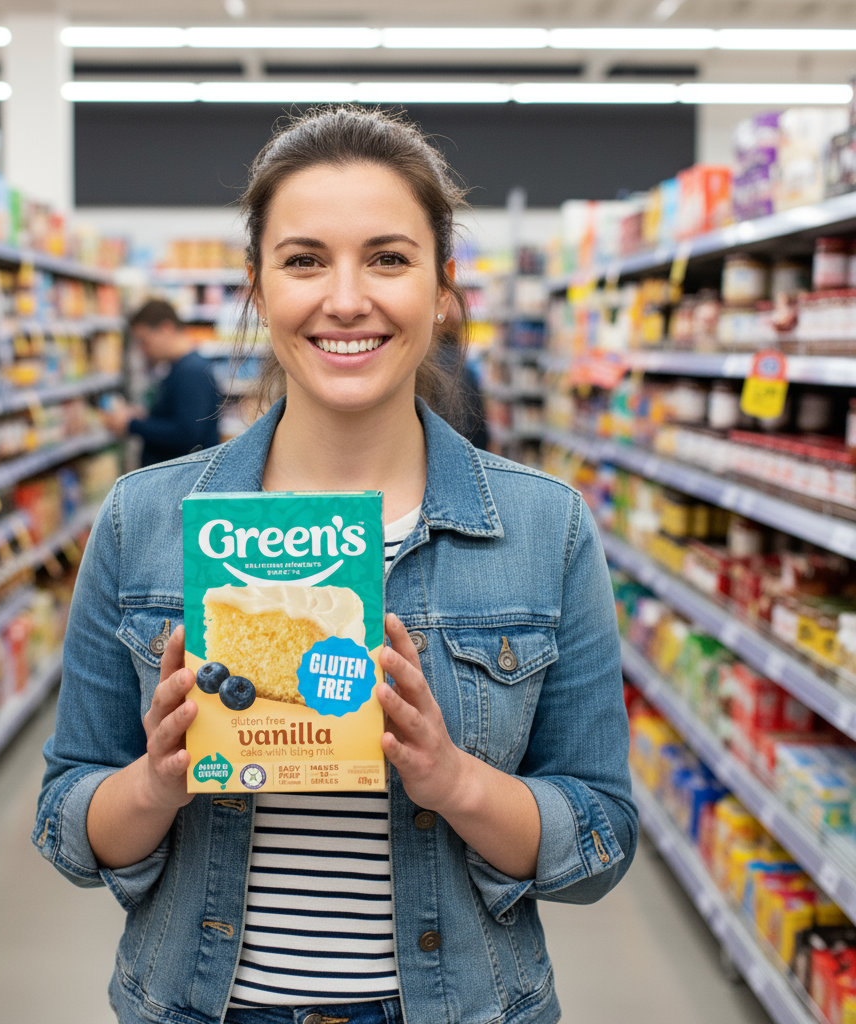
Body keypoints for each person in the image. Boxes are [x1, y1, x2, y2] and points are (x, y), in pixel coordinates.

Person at [36, 106, 636, 1024]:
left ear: (443, 289)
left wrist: (455, 781)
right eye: (305, 259)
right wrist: (154, 782)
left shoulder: (543, 527)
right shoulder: (146, 521)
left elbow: (600, 840)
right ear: (256, 288)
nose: (345, 298)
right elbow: (66, 823)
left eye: (389, 258)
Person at [101, 299, 221, 465]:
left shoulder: (191, 372)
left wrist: (132, 424)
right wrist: (145, 418)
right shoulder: (179, 367)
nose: (143, 350)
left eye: (145, 341)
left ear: (167, 329)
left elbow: (186, 434)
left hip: (184, 482)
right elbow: (179, 418)